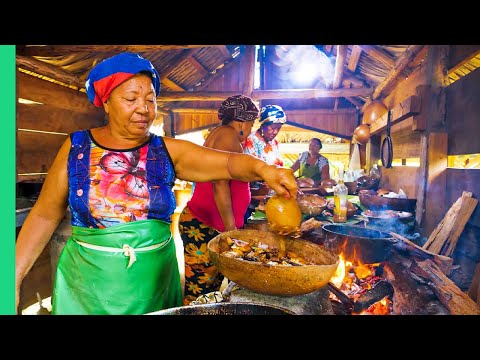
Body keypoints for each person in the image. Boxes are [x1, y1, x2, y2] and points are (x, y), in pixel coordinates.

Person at [14, 52, 298, 315]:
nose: (144, 109)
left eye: (150, 99)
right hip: (88, 288)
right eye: (131, 98)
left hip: (153, 286)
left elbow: (227, 163)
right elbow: (44, 214)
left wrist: (265, 169)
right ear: (107, 102)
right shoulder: (77, 148)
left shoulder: (167, 151)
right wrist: (13, 276)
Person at [178, 94, 259, 305]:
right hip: (204, 226)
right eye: (251, 125)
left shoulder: (222, 134)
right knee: (200, 292)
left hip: (206, 224)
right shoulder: (227, 135)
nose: (249, 130)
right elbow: (220, 184)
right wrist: (230, 229)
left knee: (209, 292)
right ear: (241, 122)